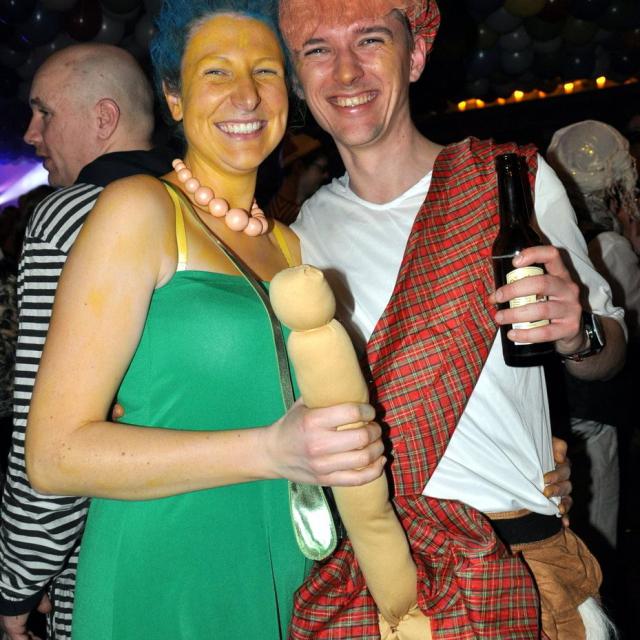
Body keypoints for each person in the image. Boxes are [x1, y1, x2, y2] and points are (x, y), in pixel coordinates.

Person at [23, 2, 386, 639]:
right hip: (166, 568)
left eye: (265, 71)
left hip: (279, 559)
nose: (246, 94)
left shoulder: (288, 245)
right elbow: (54, 457)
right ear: (175, 97)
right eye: (216, 72)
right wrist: (271, 450)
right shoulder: (140, 209)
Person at [277, 0, 627, 638]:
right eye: (317, 49)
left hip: (521, 562)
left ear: (414, 54)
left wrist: (579, 333)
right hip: (383, 582)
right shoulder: (296, 242)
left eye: (370, 40)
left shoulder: (512, 183)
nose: (346, 72)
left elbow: (611, 352)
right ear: (298, 79)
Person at [0, 43, 175, 640]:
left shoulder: (69, 217)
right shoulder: (216, 210)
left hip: (116, 555)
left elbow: (50, 447)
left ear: (104, 118)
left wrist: (18, 585)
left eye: (44, 112)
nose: (31, 134)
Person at [547, 120, 640, 556]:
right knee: (598, 538)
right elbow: (629, 337)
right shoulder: (610, 247)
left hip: (560, 416)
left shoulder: (554, 237)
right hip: (594, 416)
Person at [266, 132, 331, 224]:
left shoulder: (280, 207)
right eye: (321, 169)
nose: (326, 175)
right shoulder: (281, 216)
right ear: (298, 167)